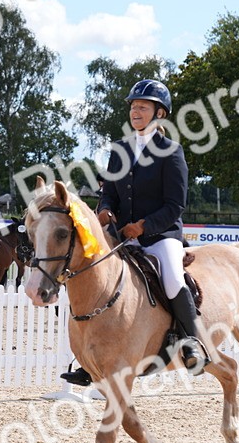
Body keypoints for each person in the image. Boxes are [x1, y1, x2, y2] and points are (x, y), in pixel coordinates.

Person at [61, 78, 206, 387]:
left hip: (160, 235)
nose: (136, 111)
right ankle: (88, 360)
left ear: (160, 113)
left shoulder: (172, 152)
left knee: (171, 278)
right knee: (94, 275)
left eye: (143, 107)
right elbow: (110, 192)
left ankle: (192, 341)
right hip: (120, 234)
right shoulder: (120, 150)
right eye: (133, 107)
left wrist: (143, 226)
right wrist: (104, 210)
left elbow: (174, 205)